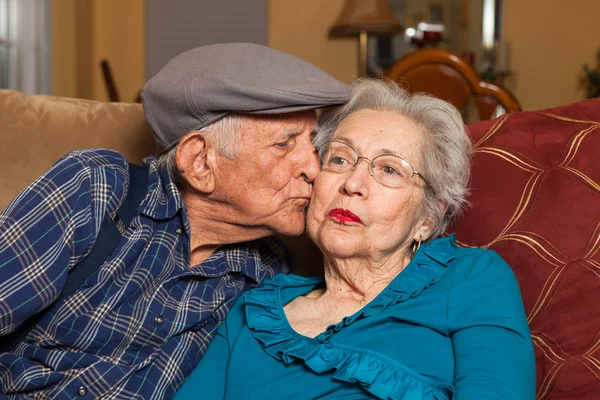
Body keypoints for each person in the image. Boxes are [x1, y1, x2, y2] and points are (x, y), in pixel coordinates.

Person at [0, 43, 350, 399]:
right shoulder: (96, 189)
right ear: (199, 162)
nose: (314, 168)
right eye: (284, 144)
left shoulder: (268, 278)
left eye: (311, 142)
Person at [174, 79, 537, 399]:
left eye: (389, 169)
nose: (352, 184)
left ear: (428, 218)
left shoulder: (471, 278)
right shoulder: (254, 312)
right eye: (340, 159)